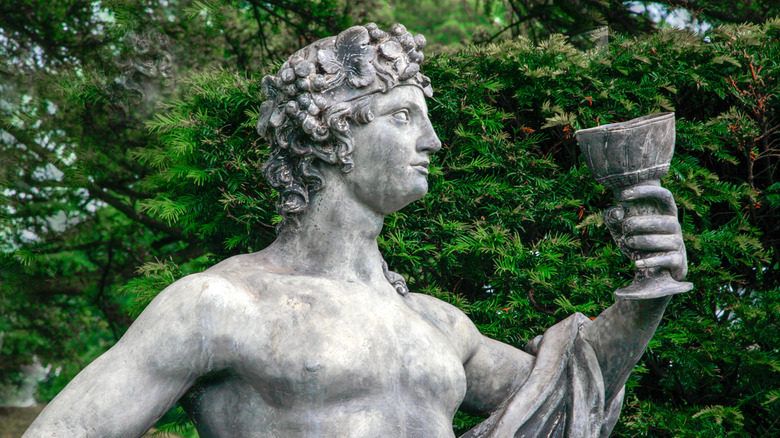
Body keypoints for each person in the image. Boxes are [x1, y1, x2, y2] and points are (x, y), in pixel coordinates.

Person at [24, 23, 689, 438]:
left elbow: (575, 389)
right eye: (402, 117)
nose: (431, 140)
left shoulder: (438, 326)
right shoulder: (218, 306)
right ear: (331, 134)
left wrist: (649, 286)